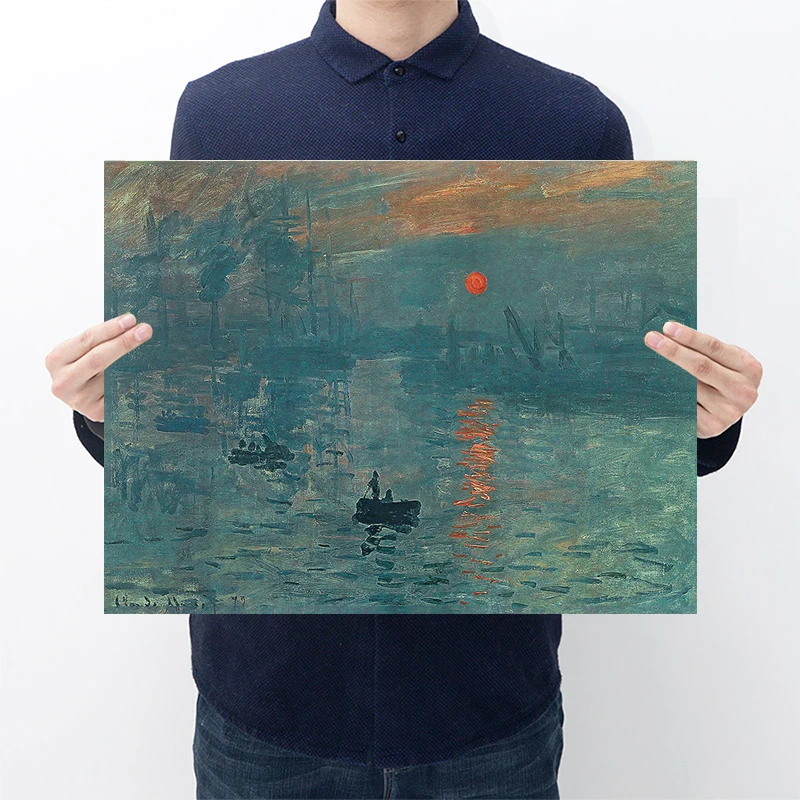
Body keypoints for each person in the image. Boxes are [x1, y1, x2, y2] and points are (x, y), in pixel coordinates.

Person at [46, 1, 762, 798]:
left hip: (488, 703)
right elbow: (196, 400)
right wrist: (111, 413)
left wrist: (697, 427)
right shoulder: (218, 115)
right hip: (265, 701)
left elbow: (599, 419)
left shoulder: (574, 121)